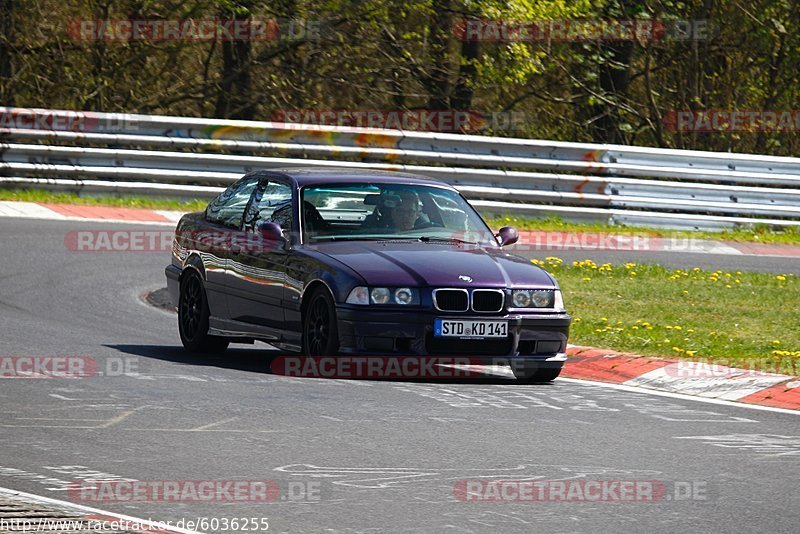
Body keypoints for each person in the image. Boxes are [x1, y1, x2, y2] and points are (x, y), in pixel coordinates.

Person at [363, 189, 434, 231]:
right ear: (392, 213)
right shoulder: (374, 233)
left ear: (417, 215)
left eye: (410, 212)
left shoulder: (430, 232)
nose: (405, 216)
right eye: (400, 211)